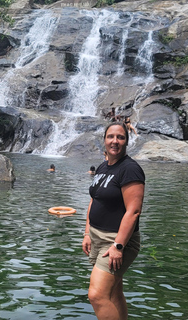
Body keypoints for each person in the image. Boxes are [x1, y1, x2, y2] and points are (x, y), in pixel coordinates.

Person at [82, 122, 145, 320]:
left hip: (116, 241)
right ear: (104, 140)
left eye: (120, 137)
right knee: (114, 292)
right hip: (96, 237)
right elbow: (95, 200)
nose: (115, 141)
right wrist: (86, 233)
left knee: (97, 295)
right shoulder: (103, 167)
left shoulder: (130, 169)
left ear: (127, 142)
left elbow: (133, 211)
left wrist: (118, 246)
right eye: (111, 137)